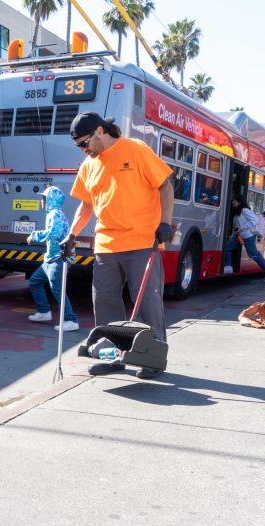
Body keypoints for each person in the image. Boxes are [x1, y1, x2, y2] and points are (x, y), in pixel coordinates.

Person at [62, 112, 174, 380]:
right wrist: (72, 235)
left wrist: (166, 222)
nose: (83, 149)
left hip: (141, 241)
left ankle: (153, 359)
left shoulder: (135, 150)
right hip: (106, 245)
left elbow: (165, 186)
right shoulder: (89, 165)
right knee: (105, 304)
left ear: (101, 131)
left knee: (147, 303)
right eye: (78, 146)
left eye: (85, 143)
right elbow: (86, 204)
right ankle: (111, 357)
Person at [25, 186, 79, 331]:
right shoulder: (55, 213)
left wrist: (34, 236)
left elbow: (53, 232)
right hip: (51, 258)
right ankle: (43, 312)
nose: (41, 201)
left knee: (57, 290)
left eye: (44, 198)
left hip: (59, 258)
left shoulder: (54, 214)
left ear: (50, 200)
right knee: (34, 281)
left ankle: (71, 320)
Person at [221, 197, 265, 281]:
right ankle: (228, 267)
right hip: (238, 236)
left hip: (248, 236)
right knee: (227, 248)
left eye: (234, 200)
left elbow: (255, 220)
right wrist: (234, 233)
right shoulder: (237, 212)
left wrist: (242, 227)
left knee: (254, 255)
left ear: (239, 202)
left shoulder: (244, 210)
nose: (232, 202)